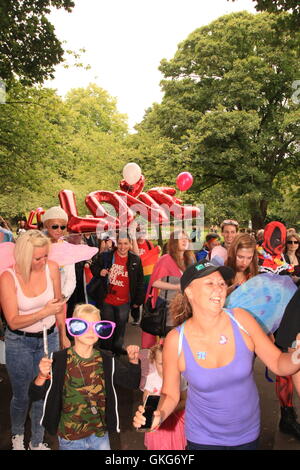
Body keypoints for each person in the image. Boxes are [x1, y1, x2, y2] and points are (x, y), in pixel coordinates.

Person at [133, 260, 300, 450]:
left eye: (222, 283)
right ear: (189, 291)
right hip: (203, 439)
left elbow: (279, 363)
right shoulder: (176, 340)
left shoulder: (242, 319)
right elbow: (170, 394)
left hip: (247, 435)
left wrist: (298, 355)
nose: (219, 289)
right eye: (210, 283)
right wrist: (159, 414)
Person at [29, 303, 141, 450]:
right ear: (73, 328)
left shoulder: (107, 359)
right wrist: (42, 376)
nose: (90, 331)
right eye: (83, 325)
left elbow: (132, 382)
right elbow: (34, 394)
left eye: (96, 326)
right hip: (70, 437)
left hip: (99, 434)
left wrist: (133, 362)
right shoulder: (58, 360)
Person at [0, 230, 68, 450]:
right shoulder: (8, 278)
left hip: (49, 339)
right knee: (21, 395)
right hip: (19, 343)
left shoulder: (52, 268)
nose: (43, 261)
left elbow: (58, 305)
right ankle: (17, 434)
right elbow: (13, 321)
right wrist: (43, 311)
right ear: (23, 256)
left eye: (45, 255)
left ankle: (36, 441)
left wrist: (64, 335)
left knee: (43, 393)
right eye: (38, 258)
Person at [90, 231, 145, 354]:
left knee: (120, 328)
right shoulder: (106, 256)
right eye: (120, 243)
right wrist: (100, 271)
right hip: (107, 300)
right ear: (116, 243)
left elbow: (140, 281)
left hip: (124, 301)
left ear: (130, 244)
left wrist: (138, 300)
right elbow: (94, 266)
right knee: (107, 328)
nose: (122, 247)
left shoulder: (135, 260)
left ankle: (117, 351)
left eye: (125, 243)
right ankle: (105, 352)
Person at [141, 230, 195, 349]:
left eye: (186, 238)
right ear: (174, 242)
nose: (185, 241)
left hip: (185, 305)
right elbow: (154, 283)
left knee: (182, 337)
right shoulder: (166, 259)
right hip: (168, 306)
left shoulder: (190, 259)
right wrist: (177, 287)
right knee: (169, 338)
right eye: (181, 239)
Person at [141, 343, 187, 450]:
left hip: (175, 423)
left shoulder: (181, 377)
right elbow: (145, 400)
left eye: (169, 362)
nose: (166, 367)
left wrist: (169, 408)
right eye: (161, 363)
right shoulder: (151, 379)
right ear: (154, 362)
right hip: (158, 425)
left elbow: (185, 400)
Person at [42, 206, 76, 303]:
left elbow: (71, 278)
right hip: (38, 303)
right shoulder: (35, 247)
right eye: (55, 226)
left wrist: (63, 295)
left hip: (60, 301)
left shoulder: (67, 248)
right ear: (46, 226)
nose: (59, 230)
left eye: (63, 227)